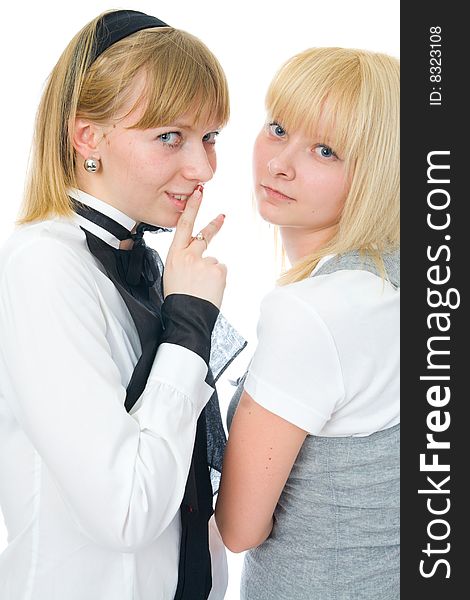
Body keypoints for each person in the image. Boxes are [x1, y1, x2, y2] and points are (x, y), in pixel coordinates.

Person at [0, 9, 245, 600]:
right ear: (89, 136)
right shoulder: (44, 267)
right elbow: (127, 512)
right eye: (170, 137)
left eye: (209, 137)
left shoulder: (147, 262)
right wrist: (187, 325)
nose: (203, 168)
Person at [215, 47, 400, 599]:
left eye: (325, 150)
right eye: (278, 128)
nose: (280, 163)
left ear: (378, 173)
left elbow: (239, 528)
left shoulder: (313, 312)